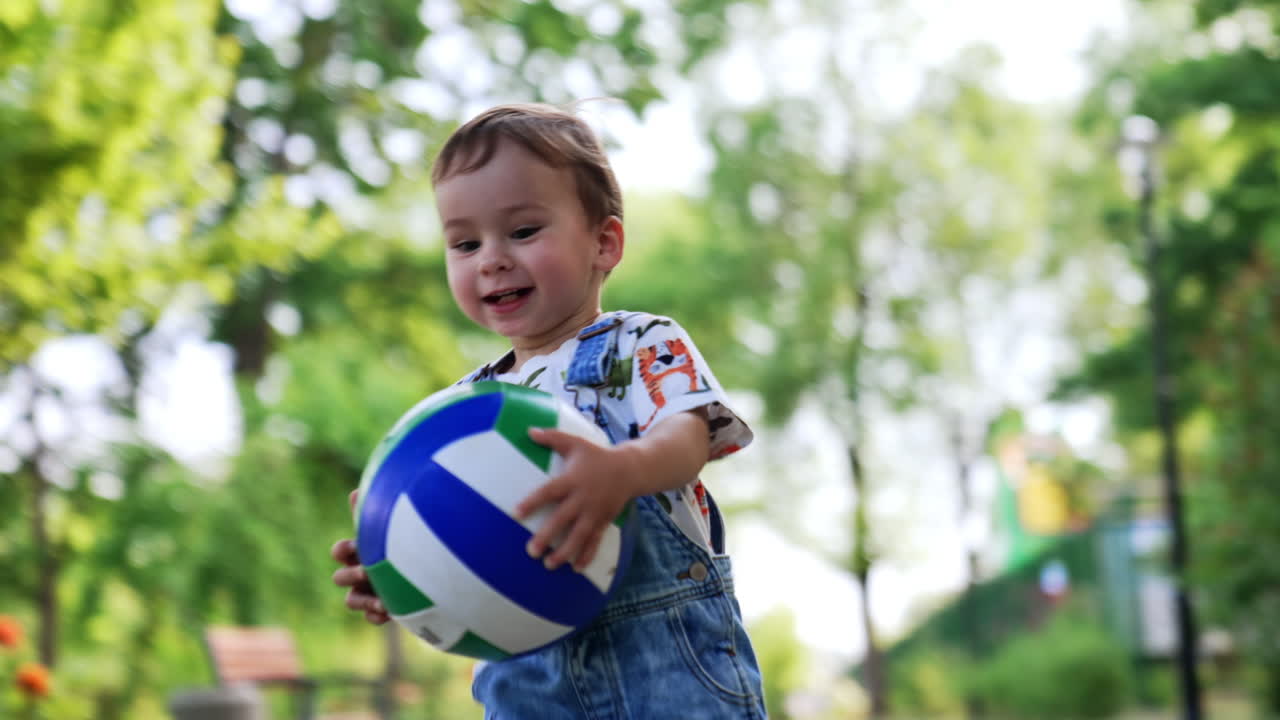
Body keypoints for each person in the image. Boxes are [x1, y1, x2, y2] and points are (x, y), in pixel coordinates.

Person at [330, 102, 766, 718]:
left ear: (604, 242)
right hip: (528, 692)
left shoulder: (640, 343)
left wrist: (622, 470)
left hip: (667, 671)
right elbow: (459, 547)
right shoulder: (460, 411)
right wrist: (401, 567)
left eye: (524, 231)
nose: (491, 259)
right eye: (464, 242)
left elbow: (687, 439)